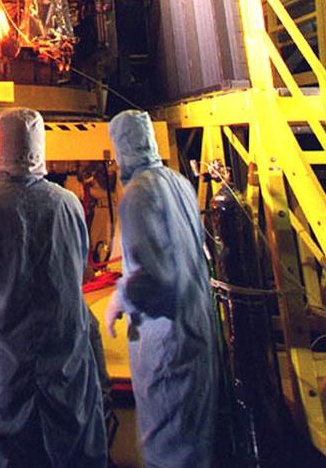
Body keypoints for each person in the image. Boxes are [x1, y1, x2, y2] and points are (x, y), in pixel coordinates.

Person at [0, 107, 107, 468]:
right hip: (64, 356)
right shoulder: (68, 203)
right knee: (70, 448)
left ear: (0, 149)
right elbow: (78, 264)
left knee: (5, 450)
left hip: (4, 359)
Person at [105, 110, 218, 468]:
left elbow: (153, 280)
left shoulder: (137, 194)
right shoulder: (179, 182)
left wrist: (121, 297)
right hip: (197, 330)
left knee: (168, 447)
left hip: (167, 344)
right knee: (196, 442)